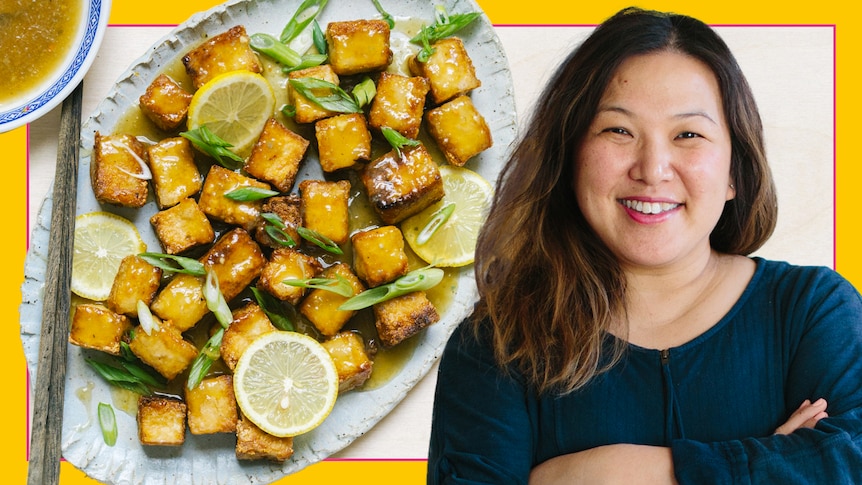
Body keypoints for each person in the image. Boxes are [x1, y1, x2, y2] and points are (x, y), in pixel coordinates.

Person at [426, 6, 862, 484]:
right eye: (619, 130)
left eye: (688, 134)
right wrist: (776, 465)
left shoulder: (813, 311)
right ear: (569, 155)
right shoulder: (496, 345)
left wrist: (606, 474)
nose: (652, 168)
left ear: (736, 172)